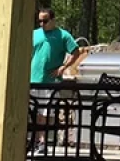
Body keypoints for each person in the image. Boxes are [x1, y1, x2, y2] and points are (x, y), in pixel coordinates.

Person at [29, 8, 86, 152]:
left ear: (53, 20)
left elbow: (76, 52)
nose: (42, 24)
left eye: (45, 21)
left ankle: (41, 141)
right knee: (33, 111)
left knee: (45, 112)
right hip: (32, 78)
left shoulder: (63, 35)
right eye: (40, 21)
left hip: (50, 80)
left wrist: (63, 67)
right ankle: (33, 140)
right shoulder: (34, 34)